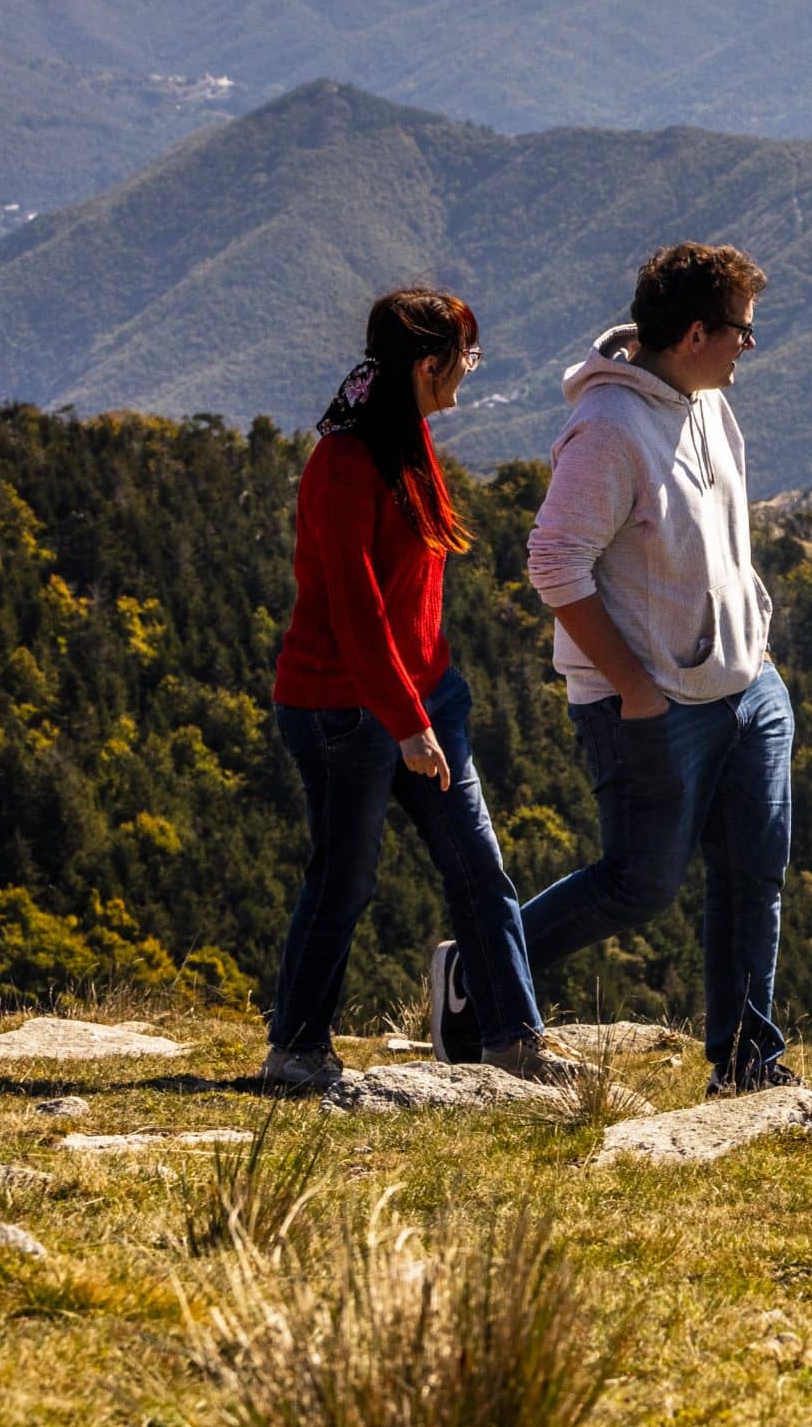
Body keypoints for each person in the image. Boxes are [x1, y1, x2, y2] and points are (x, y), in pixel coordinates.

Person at [260, 288, 569, 1093]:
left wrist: (426, 706)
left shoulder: (404, 437)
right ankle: (296, 1047)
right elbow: (356, 613)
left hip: (425, 697)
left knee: (479, 867)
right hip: (342, 709)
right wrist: (406, 721)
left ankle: (514, 1041)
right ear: (427, 366)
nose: (470, 369)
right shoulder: (344, 464)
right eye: (466, 355)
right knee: (345, 878)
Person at [519, 241, 798, 1098]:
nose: (750, 347)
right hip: (652, 704)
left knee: (755, 873)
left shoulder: (703, 399)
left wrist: (752, 636)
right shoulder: (607, 429)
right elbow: (552, 564)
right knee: (640, 886)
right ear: (693, 333)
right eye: (741, 333)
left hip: (746, 685)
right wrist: (636, 690)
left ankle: (748, 1067)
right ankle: (489, 965)